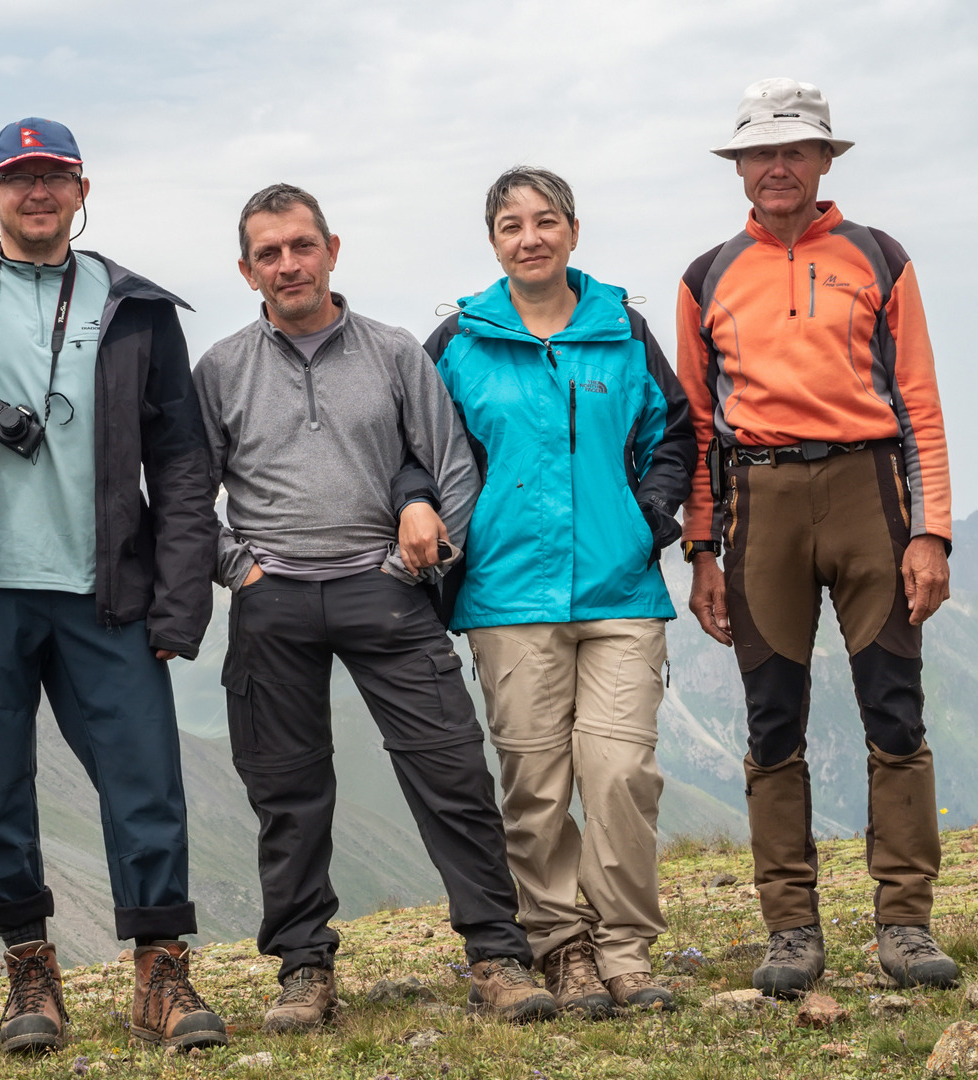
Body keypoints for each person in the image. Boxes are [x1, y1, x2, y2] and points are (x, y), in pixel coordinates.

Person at [196, 183, 557, 1031]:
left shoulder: (395, 353)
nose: (289, 264)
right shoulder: (219, 369)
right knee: (286, 792)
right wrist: (234, 567)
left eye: (302, 245)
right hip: (271, 594)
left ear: (332, 248)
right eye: (270, 253)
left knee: (452, 772)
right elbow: (184, 490)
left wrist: (415, 561)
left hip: (382, 588)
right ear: (247, 270)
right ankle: (304, 971)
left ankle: (498, 956)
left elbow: (454, 467)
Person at [0, 118, 223, 1054]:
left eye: (53, 178)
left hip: (106, 588)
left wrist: (180, 599)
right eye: (17, 178)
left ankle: (159, 972)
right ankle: (29, 972)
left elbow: (182, 461)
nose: (35, 194)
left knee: (145, 779)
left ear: (83, 191)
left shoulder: (135, 307)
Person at [677, 78, 958, 996]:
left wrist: (933, 532)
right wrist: (702, 548)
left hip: (867, 487)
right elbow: (696, 428)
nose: (776, 168)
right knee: (771, 722)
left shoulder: (879, 257)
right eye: (760, 154)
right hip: (759, 503)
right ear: (740, 168)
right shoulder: (706, 276)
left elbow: (917, 398)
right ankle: (792, 929)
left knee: (894, 704)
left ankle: (906, 925)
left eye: (794, 151)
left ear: (826, 160)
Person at [420, 167, 695, 1017]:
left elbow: (674, 434)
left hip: (619, 595)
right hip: (507, 597)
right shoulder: (457, 342)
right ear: (493, 241)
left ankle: (625, 950)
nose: (530, 237)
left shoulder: (622, 330)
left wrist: (643, 521)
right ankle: (562, 947)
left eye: (545, 221)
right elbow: (422, 451)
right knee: (534, 784)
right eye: (511, 225)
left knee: (619, 775)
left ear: (573, 230)